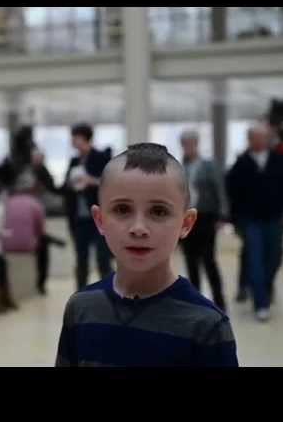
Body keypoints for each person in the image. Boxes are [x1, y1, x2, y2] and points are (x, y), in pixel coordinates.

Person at [56, 143, 238, 367]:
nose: (139, 228)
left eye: (158, 211)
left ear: (186, 223)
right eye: (122, 210)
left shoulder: (207, 325)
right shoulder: (80, 308)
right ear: (100, 220)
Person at [226, 123, 283, 322]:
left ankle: (263, 286)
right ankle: (261, 303)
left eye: (263, 137)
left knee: (275, 256)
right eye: (256, 137)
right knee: (255, 259)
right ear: (250, 140)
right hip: (250, 220)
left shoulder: (279, 160)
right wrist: (234, 220)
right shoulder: (241, 163)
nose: (260, 141)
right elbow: (232, 192)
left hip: (274, 218)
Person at [178, 129, 229, 311]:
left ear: (196, 144)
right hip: (186, 217)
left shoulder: (209, 165)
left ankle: (219, 301)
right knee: (190, 260)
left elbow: (220, 190)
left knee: (208, 259)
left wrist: (223, 215)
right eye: (184, 144)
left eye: (190, 143)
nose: (187, 147)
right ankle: (195, 299)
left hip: (206, 216)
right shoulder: (179, 167)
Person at [60, 123, 112, 291]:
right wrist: (70, 184)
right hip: (79, 217)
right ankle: (81, 295)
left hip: (98, 217)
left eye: (75, 137)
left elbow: (110, 183)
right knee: (81, 259)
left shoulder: (101, 157)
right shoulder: (74, 161)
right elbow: (66, 187)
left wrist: (91, 180)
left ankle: (110, 294)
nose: (72, 141)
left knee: (102, 258)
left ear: (84, 138)